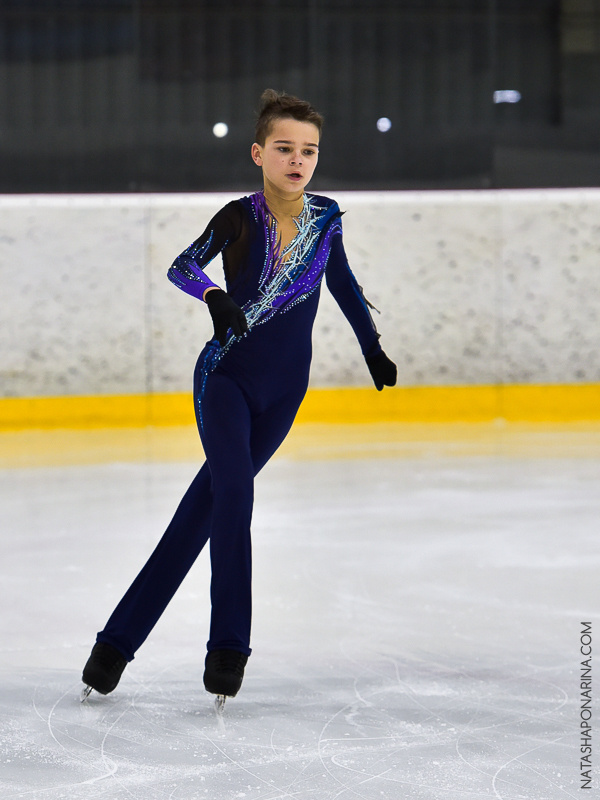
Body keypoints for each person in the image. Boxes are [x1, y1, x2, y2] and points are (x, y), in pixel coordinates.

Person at [81, 89, 397, 704]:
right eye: (284, 148)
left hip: (284, 394)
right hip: (225, 379)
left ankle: (113, 646)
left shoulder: (325, 219)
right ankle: (229, 647)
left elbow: (346, 288)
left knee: (200, 514)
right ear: (259, 153)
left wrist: (372, 347)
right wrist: (212, 295)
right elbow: (182, 266)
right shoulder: (238, 216)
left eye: (308, 150)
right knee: (234, 497)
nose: (297, 159)